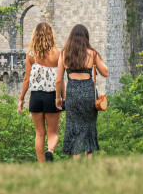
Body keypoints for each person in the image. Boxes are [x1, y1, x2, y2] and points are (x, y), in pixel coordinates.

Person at [55, 24, 109, 160]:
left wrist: (58, 98)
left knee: (74, 129)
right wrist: (98, 59)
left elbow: (58, 80)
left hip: (72, 94)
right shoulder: (92, 53)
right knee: (89, 128)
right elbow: (105, 73)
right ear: (86, 37)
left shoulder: (64, 54)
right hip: (88, 94)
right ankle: (88, 165)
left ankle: (76, 168)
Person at [17, 22, 61, 162]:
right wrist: (62, 97)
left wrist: (21, 99)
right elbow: (60, 79)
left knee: (39, 133)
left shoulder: (31, 55)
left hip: (35, 96)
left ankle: (41, 165)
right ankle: (50, 151)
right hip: (52, 96)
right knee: (52, 133)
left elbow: (26, 79)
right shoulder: (57, 54)